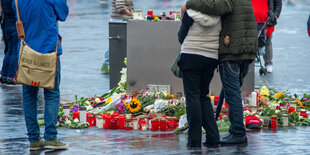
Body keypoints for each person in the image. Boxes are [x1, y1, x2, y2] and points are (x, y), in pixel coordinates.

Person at [184, 0, 258, 145]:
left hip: (232, 48)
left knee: (232, 94)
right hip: (245, 47)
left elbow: (218, 6)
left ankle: (238, 133)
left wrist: (190, 3)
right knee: (234, 91)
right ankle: (234, 132)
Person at [13, 0, 69, 151]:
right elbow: (63, 14)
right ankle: (51, 137)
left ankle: (34, 140)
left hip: (27, 52)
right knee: (51, 93)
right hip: (49, 50)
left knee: (29, 96)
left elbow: (16, 15)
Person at [178, 9, 221, 148]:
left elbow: (180, 36)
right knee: (203, 96)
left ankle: (194, 140)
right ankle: (213, 137)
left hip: (191, 56)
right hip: (210, 58)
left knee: (193, 97)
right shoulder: (219, 13)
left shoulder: (190, 12)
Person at [101, 0, 133, 73]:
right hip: (119, 20)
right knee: (115, 43)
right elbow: (121, 7)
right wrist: (133, 15)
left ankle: (107, 64)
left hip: (120, 19)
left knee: (115, 43)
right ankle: (106, 64)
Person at [0, 0, 18, 85]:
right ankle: (12, 76)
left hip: (7, 24)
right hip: (16, 24)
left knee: (9, 50)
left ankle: (4, 75)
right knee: (15, 51)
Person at [264, 0, 282, 73]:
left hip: (269, 18)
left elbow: (278, 3)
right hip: (255, 17)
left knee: (267, 41)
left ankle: (268, 63)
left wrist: (276, 15)